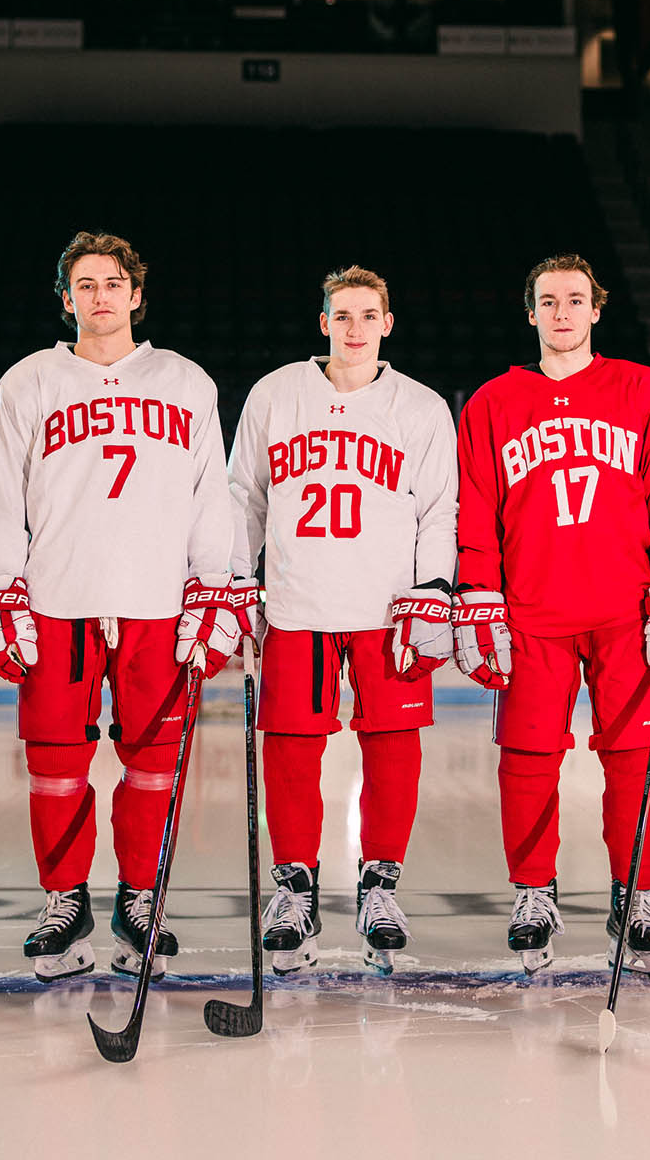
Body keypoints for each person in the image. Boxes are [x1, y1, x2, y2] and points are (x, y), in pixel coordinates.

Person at [0, 231, 244, 983]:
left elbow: (208, 494)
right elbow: (0, 497)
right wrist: (0, 587)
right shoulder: (27, 382)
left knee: (153, 763)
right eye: (85, 284)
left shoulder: (186, 381)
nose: (100, 295)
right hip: (58, 596)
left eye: (113, 282)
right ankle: (64, 900)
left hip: (156, 597)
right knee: (55, 764)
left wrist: (211, 586)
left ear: (136, 293)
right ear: (66, 298)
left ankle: (141, 894)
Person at [453, 253, 650, 974]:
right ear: (529, 313)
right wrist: (480, 595)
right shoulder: (493, 402)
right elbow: (478, 513)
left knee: (634, 757)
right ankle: (534, 891)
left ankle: (636, 893)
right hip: (533, 610)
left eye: (575, 300)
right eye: (548, 301)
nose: (562, 312)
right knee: (527, 759)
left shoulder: (643, 389)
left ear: (598, 309)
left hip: (626, 610)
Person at [226, 267, 457, 974]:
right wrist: (237, 579)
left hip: (390, 609)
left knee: (394, 750)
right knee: (290, 751)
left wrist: (435, 590)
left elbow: (438, 508)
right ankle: (295, 890)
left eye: (368, 314)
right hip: (298, 602)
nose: (354, 327)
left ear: (388, 323)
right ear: (322, 320)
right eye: (342, 314)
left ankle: (380, 885)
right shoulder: (275, 393)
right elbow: (244, 496)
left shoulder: (418, 408)